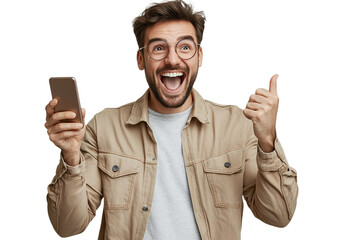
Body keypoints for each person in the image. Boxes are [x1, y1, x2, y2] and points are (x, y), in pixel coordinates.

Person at [45, 0, 298, 239]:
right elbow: (68, 225)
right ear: (141, 59)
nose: (173, 59)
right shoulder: (104, 128)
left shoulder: (237, 126)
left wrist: (267, 140)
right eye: (158, 48)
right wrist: (71, 156)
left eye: (185, 47)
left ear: (199, 56)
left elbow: (278, 215)